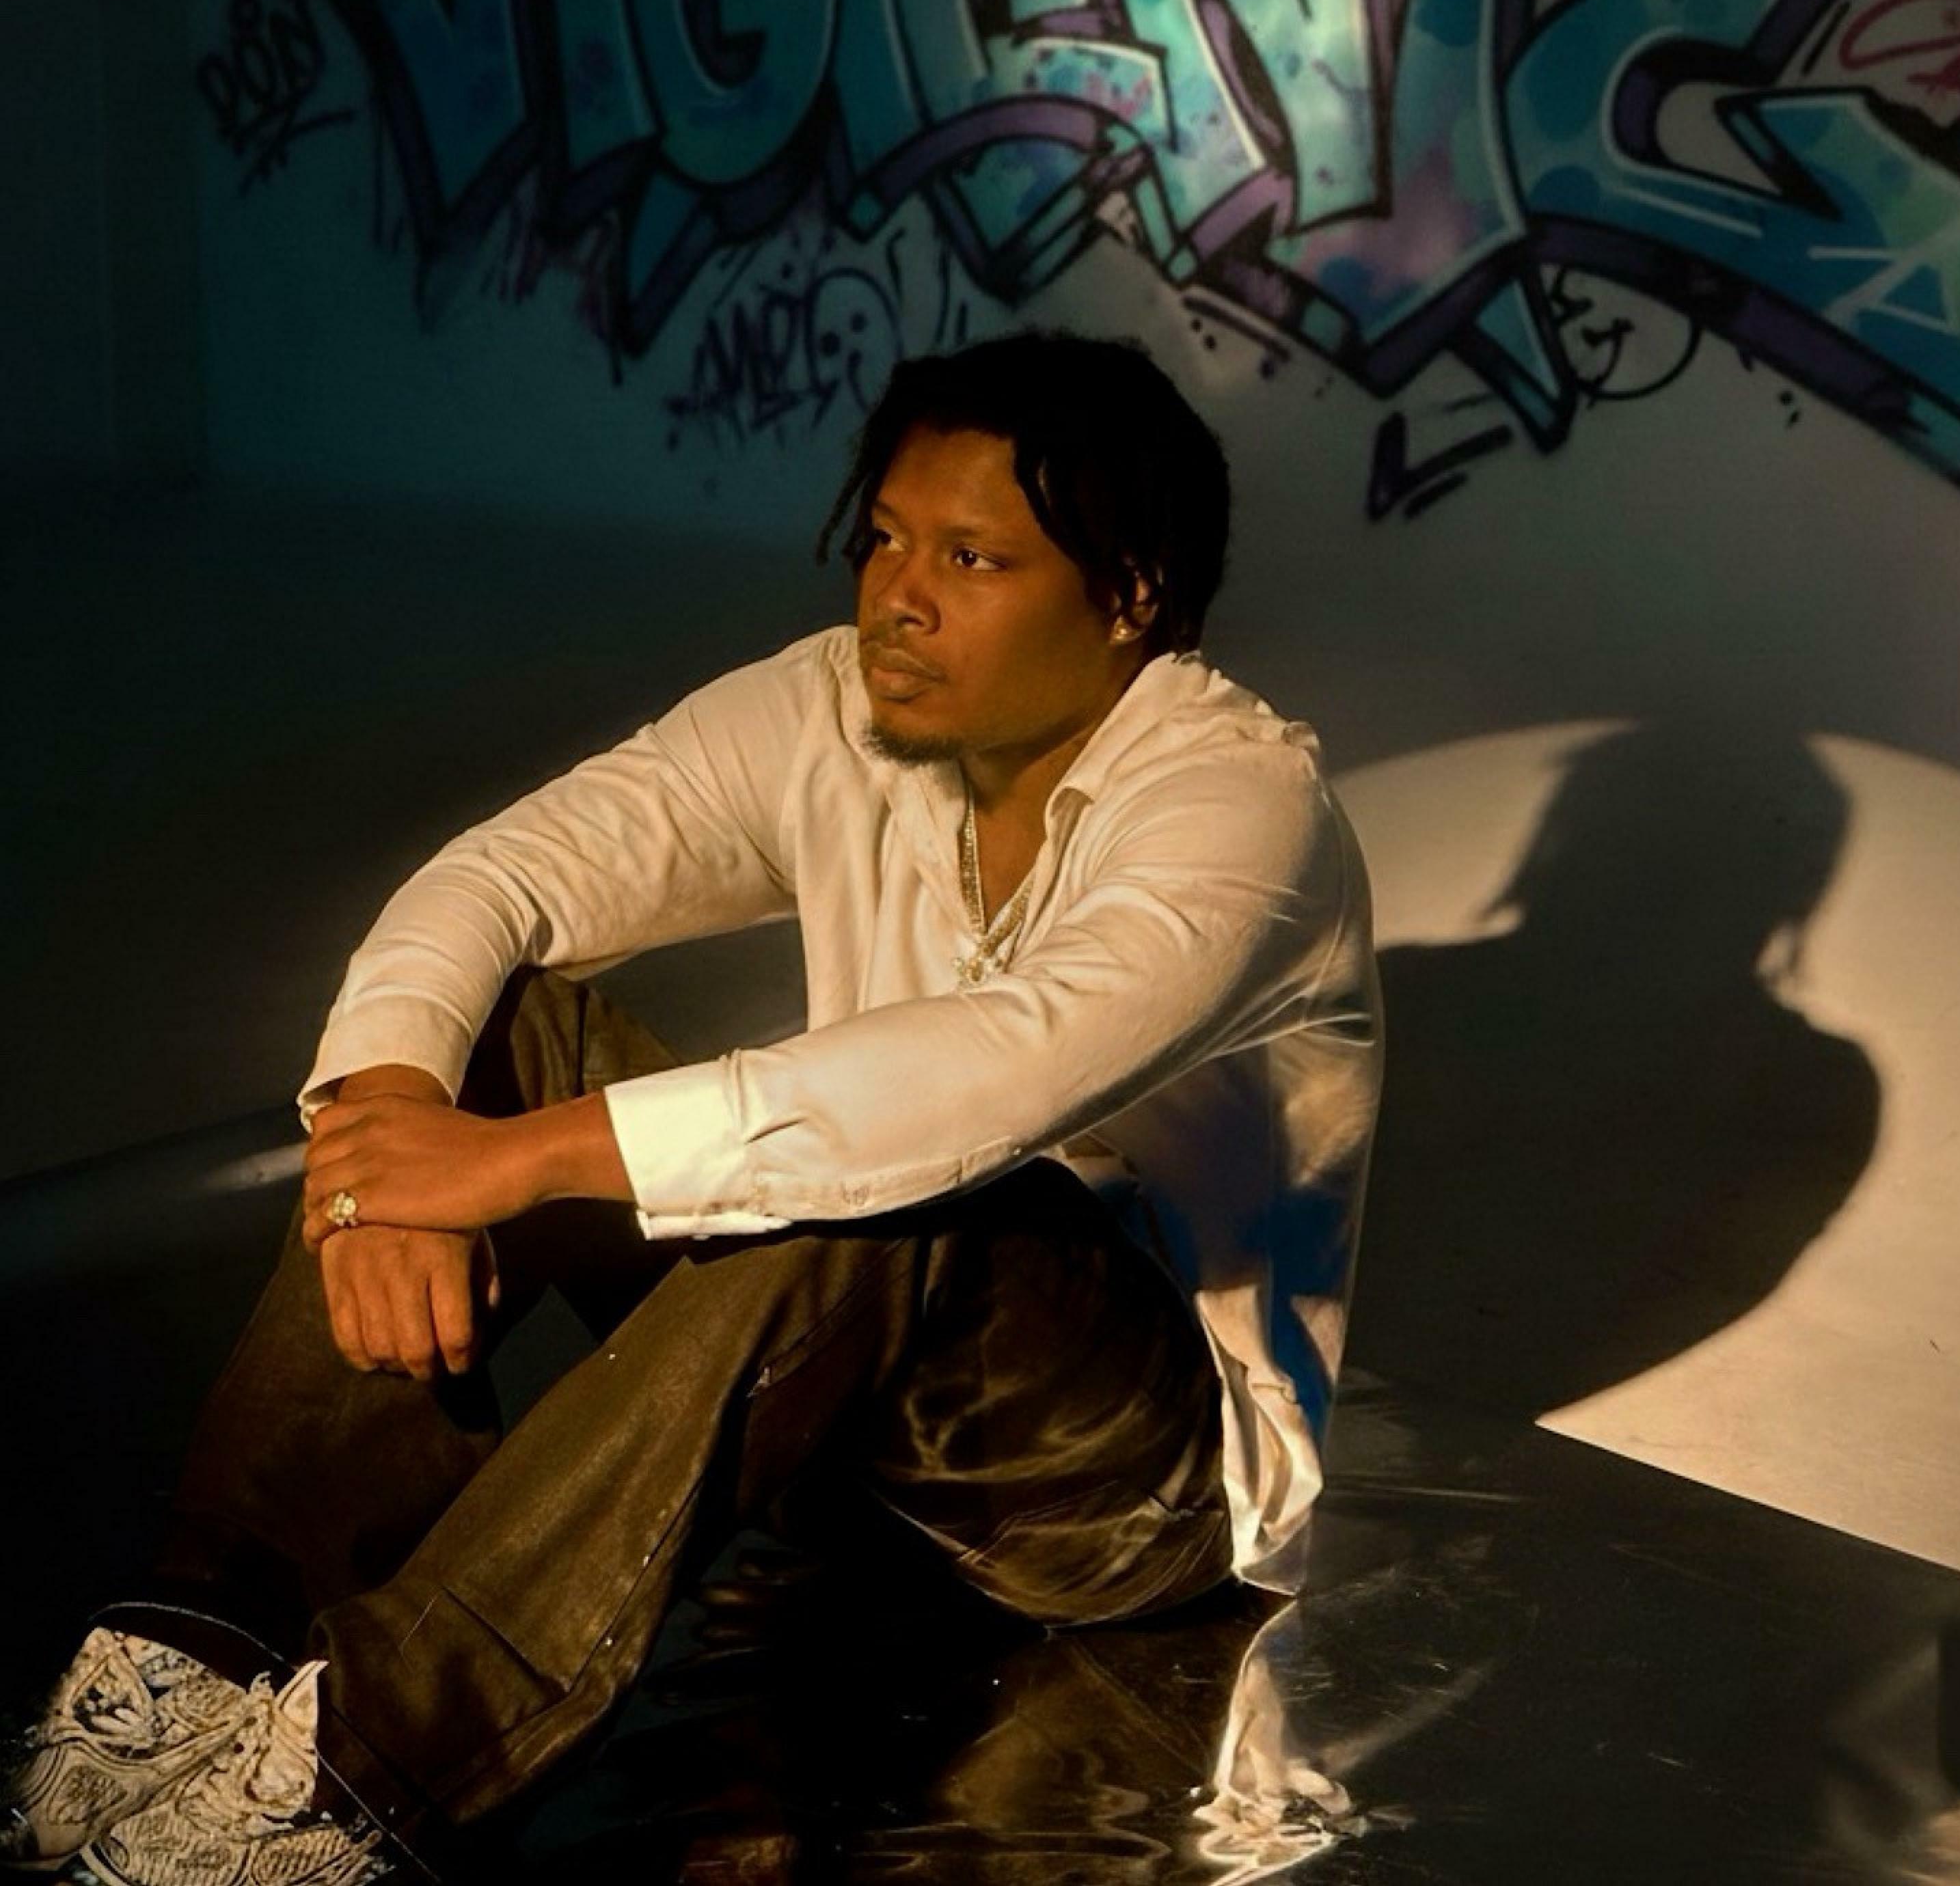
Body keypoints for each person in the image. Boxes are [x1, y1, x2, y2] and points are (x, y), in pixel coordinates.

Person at [2, 331, 1380, 1884]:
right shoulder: (838, 709)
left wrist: (510, 1167)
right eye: (885, 539)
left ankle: (370, 1773)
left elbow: (984, 1074)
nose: (897, 596)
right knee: (495, 1033)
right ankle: (197, 1651)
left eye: (972, 559)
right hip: (853, 1426)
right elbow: (505, 875)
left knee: (880, 1171)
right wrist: (389, 1142)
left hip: (1129, 1496)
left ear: (1128, 596)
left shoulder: (1239, 807)